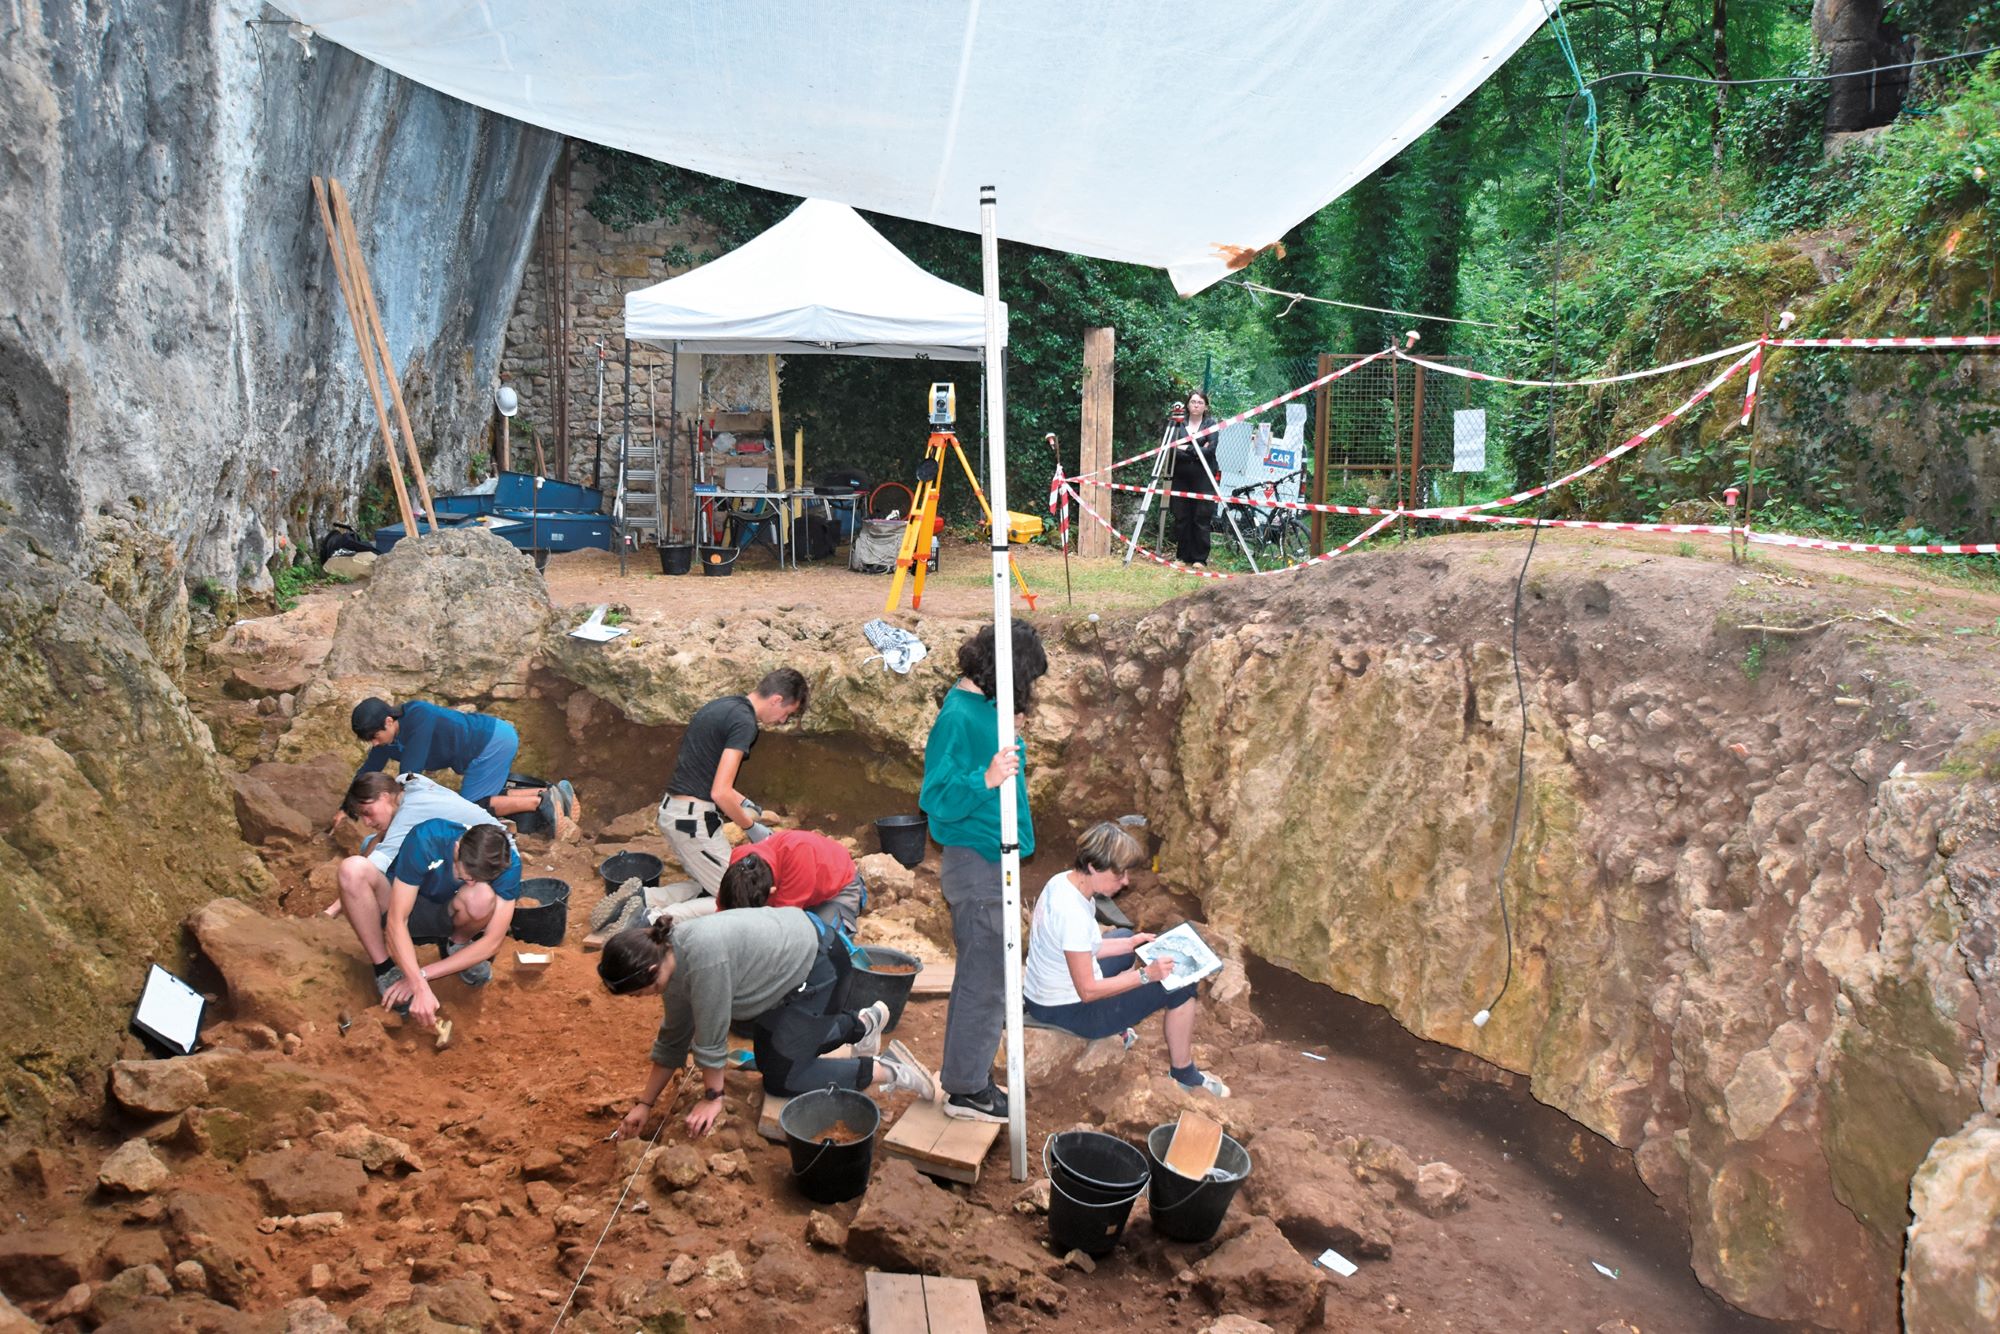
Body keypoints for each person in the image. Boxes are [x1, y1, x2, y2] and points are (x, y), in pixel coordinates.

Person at [600, 908, 935, 1139]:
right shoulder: (671, 957)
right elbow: (673, 1038)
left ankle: (886, 1068)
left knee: (782, 1077)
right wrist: (645, 1104)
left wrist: (713, 1097)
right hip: (794, 975)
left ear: (647, 972)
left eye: (636, 993)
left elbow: (711, 1037)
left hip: (821, 971)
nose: (638, 999)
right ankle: (862, 1024)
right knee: (774, 1052)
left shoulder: (703, 959)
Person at [918, 621, 1049, 1123]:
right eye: (1027, 679)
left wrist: (1008, 734)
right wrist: (986, 776)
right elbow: (936, 797)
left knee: (987, 974)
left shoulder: (985, 708)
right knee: (986, 979)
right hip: (976, 865)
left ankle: (969, 1076)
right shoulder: (957, 714)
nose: (1030, 690)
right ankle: (967, 1089)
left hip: (994, 861)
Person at [1024, 822, 1228, 1097]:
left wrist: (1131, 944)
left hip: (1044, 992)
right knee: (1179, 984)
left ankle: (1123, 1011)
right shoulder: (1071, 914)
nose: (1126, 882)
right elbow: (1088, 991)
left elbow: (1082, 948)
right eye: (1119, 875)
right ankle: (1184, 1073)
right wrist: (1146, 976)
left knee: (1123, 937)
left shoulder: (1064, 882)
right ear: (1095, 866)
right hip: (1068, 1009)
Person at [335, 818, 523, 1030]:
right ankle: (385, 968)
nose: (470, 882)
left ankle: (457, 944)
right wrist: (419, 986)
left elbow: (492, 942)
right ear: (458, 848)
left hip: (448, 912)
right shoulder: (428, 838)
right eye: (468, 875)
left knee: (482, 896)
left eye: (478, 878)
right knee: (352, 869)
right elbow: (397, 921)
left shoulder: (508, 864)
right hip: (402, 903)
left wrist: (421, 976)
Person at [655, 668, 811, 914]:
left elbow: (706, 772)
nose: (782, 721)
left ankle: (645, 897)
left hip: (675, 812)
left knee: (708, 884)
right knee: (737, 899)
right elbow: (720, 793)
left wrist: (746, 802)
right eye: (786, 714)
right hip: (692, 822)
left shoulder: (725, 706)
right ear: (776, 700)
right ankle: (654, 919)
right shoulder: (745, 723)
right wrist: (750, 827)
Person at [349, 697, 570, 826]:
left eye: (374, 737)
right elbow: (369, 769)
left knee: (471, 808)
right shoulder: (387, 740)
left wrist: (394, 808)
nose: (375, 744)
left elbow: (410, 773)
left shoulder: (418, 715)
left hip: (490, 743)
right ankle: (550, 792)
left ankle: (541, 802)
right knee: (481, 797)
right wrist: (347, 808)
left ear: (389, 721)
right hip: (491, 739)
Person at [321, 770, 505, 918]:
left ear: (385, 796)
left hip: (490, 854)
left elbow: (373, 866)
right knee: (371, 842)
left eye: (367, 812)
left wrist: (334, 909)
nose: (367, 822)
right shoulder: (406, 782)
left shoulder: (412, 811)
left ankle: (409, 913)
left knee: (378, 866)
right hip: (468, 843)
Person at [716, 828, 868, 932]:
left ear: (772, 891)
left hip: (838, 888)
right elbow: (725, 905)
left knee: (825, 947)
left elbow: (784, 926)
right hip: (800, 889)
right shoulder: (739, 863)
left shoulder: (798, 854)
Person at [1167, 389, 1222, 567]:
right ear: (1187, 404)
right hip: (1181, 476)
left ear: (1205, 406)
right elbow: (1172, 448)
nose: (1196, 405)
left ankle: (1200, 558)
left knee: (1201, 517)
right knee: (1182, 516)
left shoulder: (1211, 424)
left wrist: (1187, 448)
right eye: (1193, 402)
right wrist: (1198, 450)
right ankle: (1182, 556)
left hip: (1204, 477)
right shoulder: (1178, 424)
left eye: (1200, 402)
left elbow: (1210, 450)